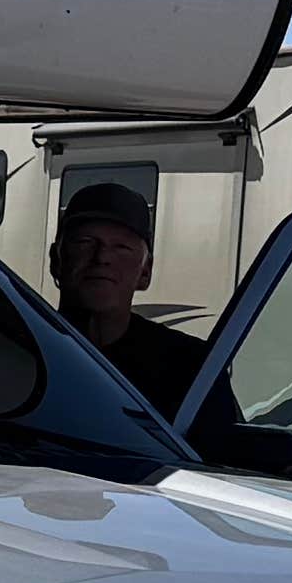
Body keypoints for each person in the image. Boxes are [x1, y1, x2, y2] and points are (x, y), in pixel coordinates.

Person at [47, 175, 213, 419]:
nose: (102, 257)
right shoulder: (11, 357)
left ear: (145, 272)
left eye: (121, 247)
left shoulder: (191, 367)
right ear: (56, 261)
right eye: (85, 242)